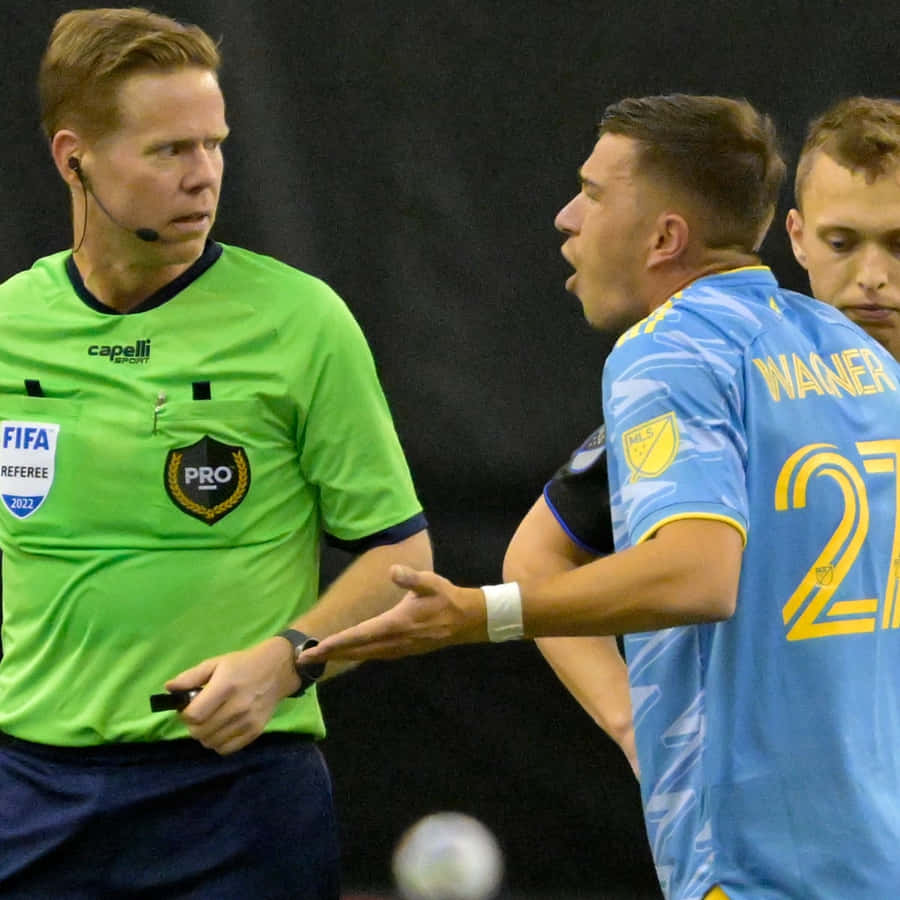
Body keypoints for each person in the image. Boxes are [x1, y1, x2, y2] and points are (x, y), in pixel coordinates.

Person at [303, 94, 900, 899]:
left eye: (592, 191)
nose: (565, 216)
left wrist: (480, 615)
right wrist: (637, 723)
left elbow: (699, 577)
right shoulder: (853, 351)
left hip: (762, 860)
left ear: (664, 237)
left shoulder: (669, 354)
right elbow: (541, 550)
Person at [0, 8, 431, 899]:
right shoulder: (11, 325)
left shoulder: (301, 320)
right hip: (27, 796)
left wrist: (284, 660)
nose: (204, 178)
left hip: (237, 800)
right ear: (72, 157)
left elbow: (400, 557)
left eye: (216, 144)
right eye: (169, 151)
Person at [502, 94, 900, 779]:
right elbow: (537, 559)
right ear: (797, 237)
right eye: (842, 241)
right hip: (799, 822)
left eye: (898, 244)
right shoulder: (730, 384)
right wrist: (638, 727)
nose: (871, 276)